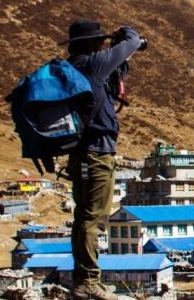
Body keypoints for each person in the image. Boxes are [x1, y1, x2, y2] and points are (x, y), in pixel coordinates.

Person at [60, 19, 143, 300]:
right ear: (95, 43)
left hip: (88, 152)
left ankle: (86, 278)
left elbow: (115, 76)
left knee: (87, 216)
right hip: (94, 152)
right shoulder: (91, 64)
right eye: (102, 42)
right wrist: (126, 34)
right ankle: (87, 282)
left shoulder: (77, 67)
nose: (104, 46)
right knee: (92, 218)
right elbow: (132, 43)